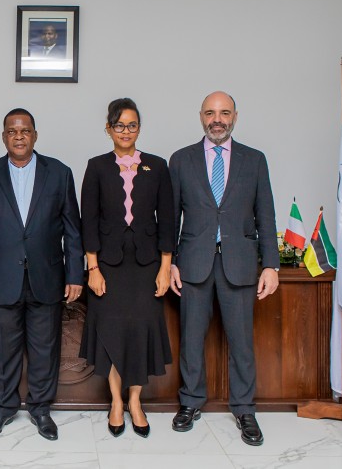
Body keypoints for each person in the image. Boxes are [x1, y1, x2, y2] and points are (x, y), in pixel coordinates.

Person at [169, 91, 280, 446]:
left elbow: (266, 214)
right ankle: (190, 402)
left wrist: (272, 265)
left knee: (242, 342)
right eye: (210, 113)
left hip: (241, 264)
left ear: (235, 116)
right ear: (201, 116)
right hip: (193, 263)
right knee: (190, 339)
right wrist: (168, 262)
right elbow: (170, 218)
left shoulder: (255, 160)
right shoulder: (181, 159)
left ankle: (245, 408)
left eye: (224, 112)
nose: (217, 119)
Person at [0, 108, 84, 441]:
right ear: (4, 136)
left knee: (45, 348)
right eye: (12, 131)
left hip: (47, 278)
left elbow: (73, 230)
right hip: (0, 279)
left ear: (35, 134)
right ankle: (3, 409)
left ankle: (41, 409)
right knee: (2, 350)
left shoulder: (59, 173)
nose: (19, 137)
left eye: (25, 130)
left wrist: (75, 275)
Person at [80, 98, 175, 438]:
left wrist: (166, 267)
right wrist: (92, 267)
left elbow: (166, 220)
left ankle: (136, 401)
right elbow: (87, 222)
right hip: (108, 265)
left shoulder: (157, 166)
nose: (125, 131)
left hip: (147, 265)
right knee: (113, 333)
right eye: (118, 125)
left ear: (139, 128)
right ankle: (116, 401)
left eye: (131, 125)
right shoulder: (96, 166)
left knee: (140, 333)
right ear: (108, 129)